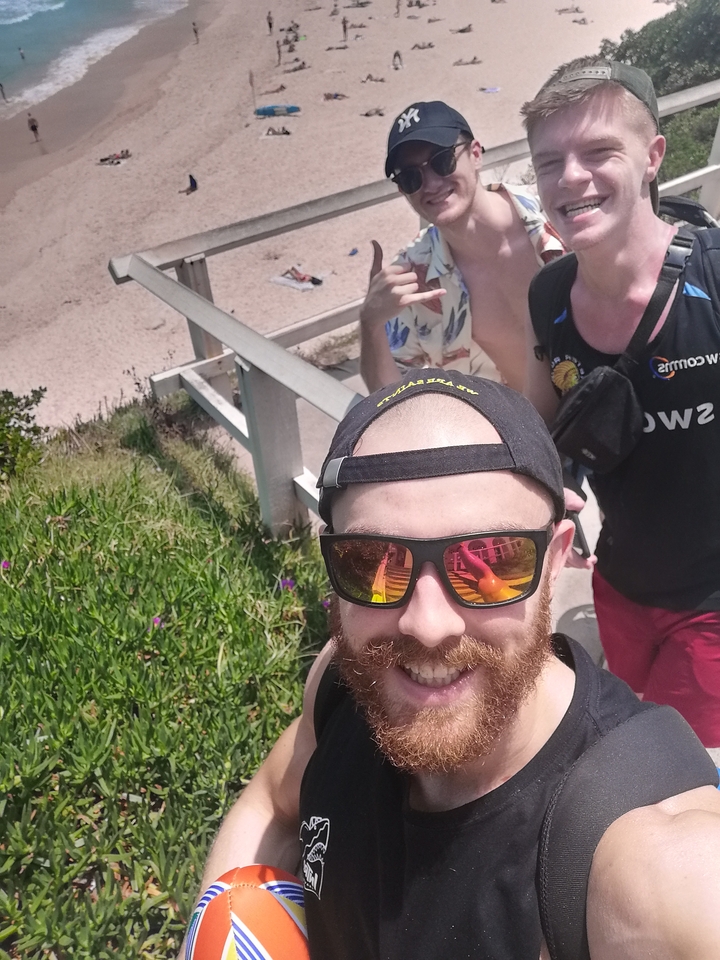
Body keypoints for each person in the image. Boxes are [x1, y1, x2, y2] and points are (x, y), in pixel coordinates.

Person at [179, 371, 720, 959]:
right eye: (373, 564)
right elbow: (273, 805)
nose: (427, 624)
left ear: (556, 561)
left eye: (489, 562)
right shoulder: (342, 683)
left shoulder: (647, 861)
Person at [522, 58, 720, 747]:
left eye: (599, 151)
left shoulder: (714, 277)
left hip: (711, 604)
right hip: (619, 580)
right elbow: (558, 419)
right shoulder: (548, 298)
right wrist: (556, 490)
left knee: (674, 759)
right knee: (630, 715)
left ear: (653, 157)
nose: (570, 178)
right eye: (549, 163)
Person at [359, 101, 564, 393]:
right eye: (410, 176)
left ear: (476, 154)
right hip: (523, 435)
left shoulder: (555, 213)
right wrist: (370, 322)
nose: (430, 184)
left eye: (442, 160)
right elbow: (389, 396)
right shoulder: (413, 279)